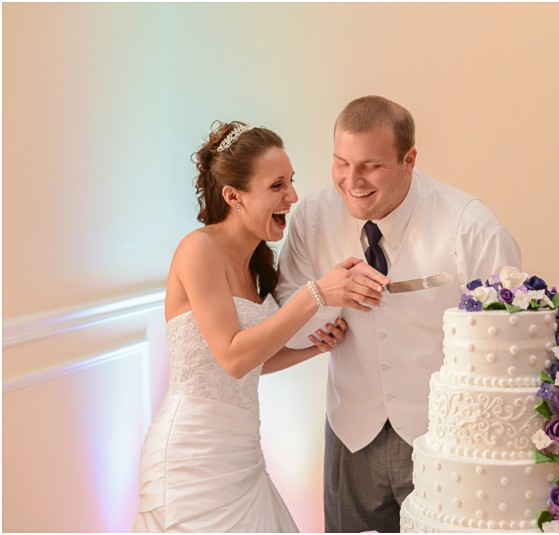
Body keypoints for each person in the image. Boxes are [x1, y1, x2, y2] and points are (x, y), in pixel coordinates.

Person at [274, 96, 521, 532]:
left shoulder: (471, 226)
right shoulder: (313, 217)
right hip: (350, 431)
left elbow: (507, 344)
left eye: (371, 166)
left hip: (443, 439)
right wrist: (325, 305)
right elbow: (286, 306)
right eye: (340, 163)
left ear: (409, 159)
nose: (352, 181)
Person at [134, 121, 388, 532]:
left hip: (242, 455)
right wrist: (316, 294)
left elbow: (249, 361)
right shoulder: (198, 249)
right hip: (191, 456)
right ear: (233, 196)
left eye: (291, 182)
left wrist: (313, 349)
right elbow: (232, 357)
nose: (292, 196)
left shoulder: (258, 264)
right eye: (276, 186)